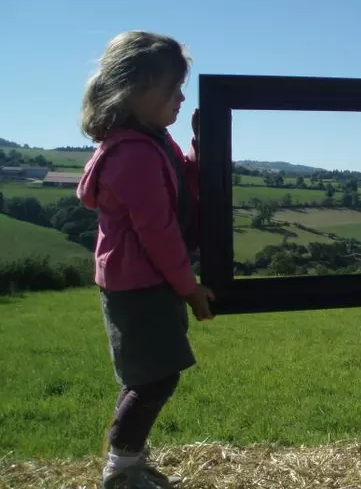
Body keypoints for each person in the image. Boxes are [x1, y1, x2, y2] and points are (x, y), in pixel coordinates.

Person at [77, 31, 215, 488]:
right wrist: (189, 289)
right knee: (154, 379)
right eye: (172, 87)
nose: (180, 97)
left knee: (150, 374)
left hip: (145, 280)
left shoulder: (153, 141)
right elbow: (157, 232)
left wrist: (199, 145)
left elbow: (182, 187)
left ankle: (127, 456)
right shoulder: (135, 153)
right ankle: (121, 467)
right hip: (141, 283)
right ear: (134, 89)